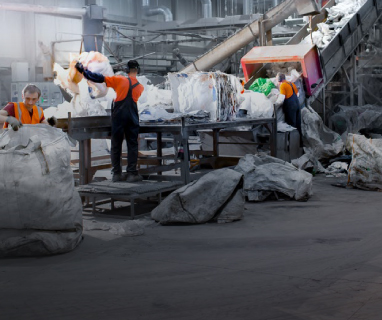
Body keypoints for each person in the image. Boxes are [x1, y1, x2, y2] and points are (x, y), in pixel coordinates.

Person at [75, 60, 144, 183]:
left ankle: (117, 174)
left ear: (127, 70)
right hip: (132, 116)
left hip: (119, 116)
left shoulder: (119, 79)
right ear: (137, 70)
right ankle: (132, 174)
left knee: (116, 144)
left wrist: (83, 71)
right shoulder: (140, 87)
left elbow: (98, 78)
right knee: (132, 145)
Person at [276, 73, 302, 143]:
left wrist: (275, 105)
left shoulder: (282, 85)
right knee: (298, 124)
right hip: (297, 105)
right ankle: (300, 143)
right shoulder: (292, 84)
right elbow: (297, 94)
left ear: (279, 80)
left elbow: (281, 99)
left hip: (291, 107)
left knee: (291, 125)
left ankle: (291, 143)